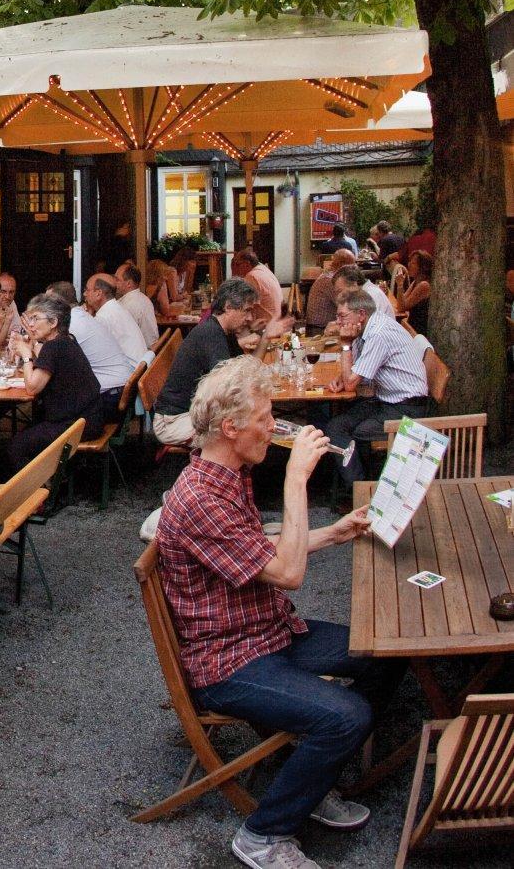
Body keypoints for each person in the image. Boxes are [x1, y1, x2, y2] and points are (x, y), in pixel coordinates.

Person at [157, 356, 404, 869]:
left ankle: (311, 776)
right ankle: (262, 835)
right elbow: (288, 573)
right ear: (231, 428)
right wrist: (296, 481)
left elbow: (257, 552)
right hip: (228, 661)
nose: (274, 427)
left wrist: (332, 533)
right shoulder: (200, 498)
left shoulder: (226, 475)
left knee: (385, 651)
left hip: (267, 631)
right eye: (265, 418)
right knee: (346, 716)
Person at [152, 278, 287, 447]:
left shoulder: (224, 332)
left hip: (193, 414)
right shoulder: (211, 334)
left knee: (247, 425)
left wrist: (266, 337)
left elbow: (249, 367)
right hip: (174, 422)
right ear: (228, 307)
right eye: (246, 310)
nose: (250, 317)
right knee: (241, 431)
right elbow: (228, 389)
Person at [324, 290, 430, 488]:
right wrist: (341, 377)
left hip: (407, 408)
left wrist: (345, 344)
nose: (338, 322)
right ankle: (358, 486)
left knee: (354, 431)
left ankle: (361, 489)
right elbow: (355, 371)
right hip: (387, 400)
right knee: (336, 426)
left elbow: (351, 384)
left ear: (361, 314)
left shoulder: (379, 334)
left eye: (342, 316)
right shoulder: (367, 328)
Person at [8, 293, 104, 471]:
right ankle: (52, 477)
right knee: (31, 428)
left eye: (35, 319)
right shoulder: (66, 340)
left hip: (76, 425)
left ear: (53, 323)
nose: (30, 324)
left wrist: (26, 355)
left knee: (17, 446)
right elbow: (46, 358)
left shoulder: (54, 346)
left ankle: (41, 488)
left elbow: (32, 388)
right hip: (91, 417)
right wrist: (33, 341)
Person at [45, 280, 136, 415]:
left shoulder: (71, 324)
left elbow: (50, 362)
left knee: (55, 397)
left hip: (111, 397)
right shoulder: (80, 315)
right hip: (120, 388)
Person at [84, 271, 150, 364]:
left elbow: (90, 351)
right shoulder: (116, 308)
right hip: (140, 367)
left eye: (87, 290)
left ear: (98, 293)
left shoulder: (103, 317)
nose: (84, 294)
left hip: (131, 370)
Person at [304, 248, 356, 330]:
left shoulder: (329, 276)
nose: (355, 268)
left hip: (319, 326)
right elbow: (346, 306)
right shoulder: (331, 280)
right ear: (343, 265)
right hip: (319, 329)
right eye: (352, 265)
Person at [230, 247, 284, 325]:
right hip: (278, 319)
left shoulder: (252, 276)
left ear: (247, 264)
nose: (236, 268)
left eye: (238, 264)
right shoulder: (264, 269)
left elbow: (245, 304)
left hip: (268, 324)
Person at [112, 262, 160, 349]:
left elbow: (118, 338)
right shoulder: (144, 298)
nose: (114, 283)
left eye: (117, 279)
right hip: (150, 349)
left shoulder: (126, 305)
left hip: (141, 353)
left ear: (129, 284)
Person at [390, 250, 432, 335]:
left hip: (417, 331)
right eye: (409, 262)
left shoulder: (424, 285)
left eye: (413, 263)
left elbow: (401, 307)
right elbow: (401, 302)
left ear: (422, 267)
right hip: (410, 325)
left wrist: (400, 285)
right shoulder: (416, 281)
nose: (409, 265)